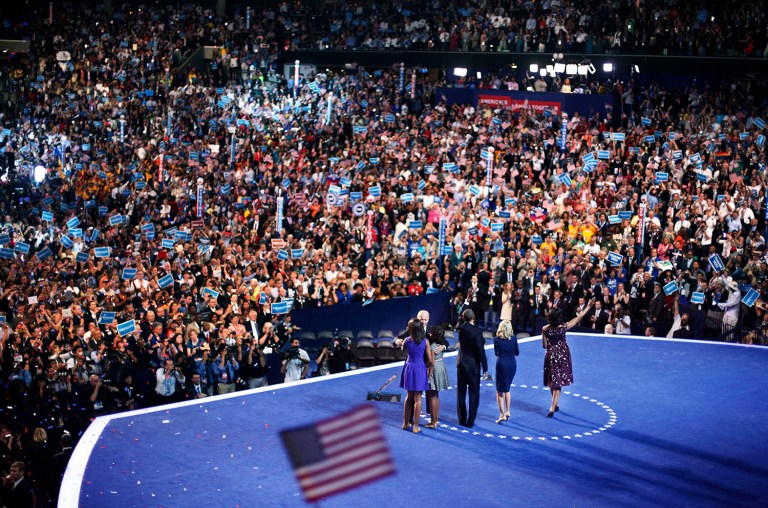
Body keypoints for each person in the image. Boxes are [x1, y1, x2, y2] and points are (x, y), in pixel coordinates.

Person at [542, 300, 595, 417]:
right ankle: (552, 406)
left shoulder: (545, 329)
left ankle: (554, 404)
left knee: (552, 381)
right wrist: (588, 307)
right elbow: (577, 319)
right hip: (562, 355)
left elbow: (544, 345)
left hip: (551, 355)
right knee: (558, 382)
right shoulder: (563, 327)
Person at [398, 318, 433, 433]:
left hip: (409, 368)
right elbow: (430, 361)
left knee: (409, 397)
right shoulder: (425, 341)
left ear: (411, 329)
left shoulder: (407, 340)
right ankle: (416, 426)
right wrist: (426, 369)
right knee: (418, 398)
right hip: (419, 369)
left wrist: (401, 343)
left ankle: (405, 423)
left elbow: (402, 348)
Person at [456, 308, 487, 428]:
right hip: (473, 367)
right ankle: (470, 421)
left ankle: (461, 419)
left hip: (461, 364)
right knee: (474, 393)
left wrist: (466, 302)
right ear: (473, 317)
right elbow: (480, 350)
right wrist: (485, 367)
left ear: (463, 318)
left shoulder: (460, 328)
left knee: (461, 393)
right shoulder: (477, 331)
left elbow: (459, 319)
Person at [493, 320, 520, 424]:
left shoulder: (497, 340)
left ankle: (502, 414)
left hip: (502, 365)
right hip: (512, 365)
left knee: (499, 391)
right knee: (507, 389)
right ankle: (508, 411)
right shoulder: (514, 338)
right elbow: (517, 353)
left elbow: (496, 353)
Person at [425, 326, 449, 429]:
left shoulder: (432, 347)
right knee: (436, 395)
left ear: (432, 335)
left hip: (433, 370)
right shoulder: (440, 346)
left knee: (432, 396)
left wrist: (428, 377)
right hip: (441, 368)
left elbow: (431, 362)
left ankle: (433, 422)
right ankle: (436, 420)